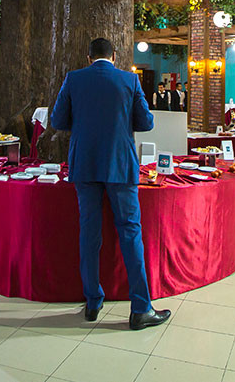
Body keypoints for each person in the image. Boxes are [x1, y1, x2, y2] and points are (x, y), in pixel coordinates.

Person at [51, 37, 170, 331]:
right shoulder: (129, 80)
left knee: (88, 232)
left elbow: (57, 120)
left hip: (85, 164)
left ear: (88, 56)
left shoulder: (74, 79)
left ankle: (92, 301)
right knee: (130, 232)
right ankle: (141, 308)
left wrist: (84, 124)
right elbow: (146, 123)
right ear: (114, 56)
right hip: (119, 164)